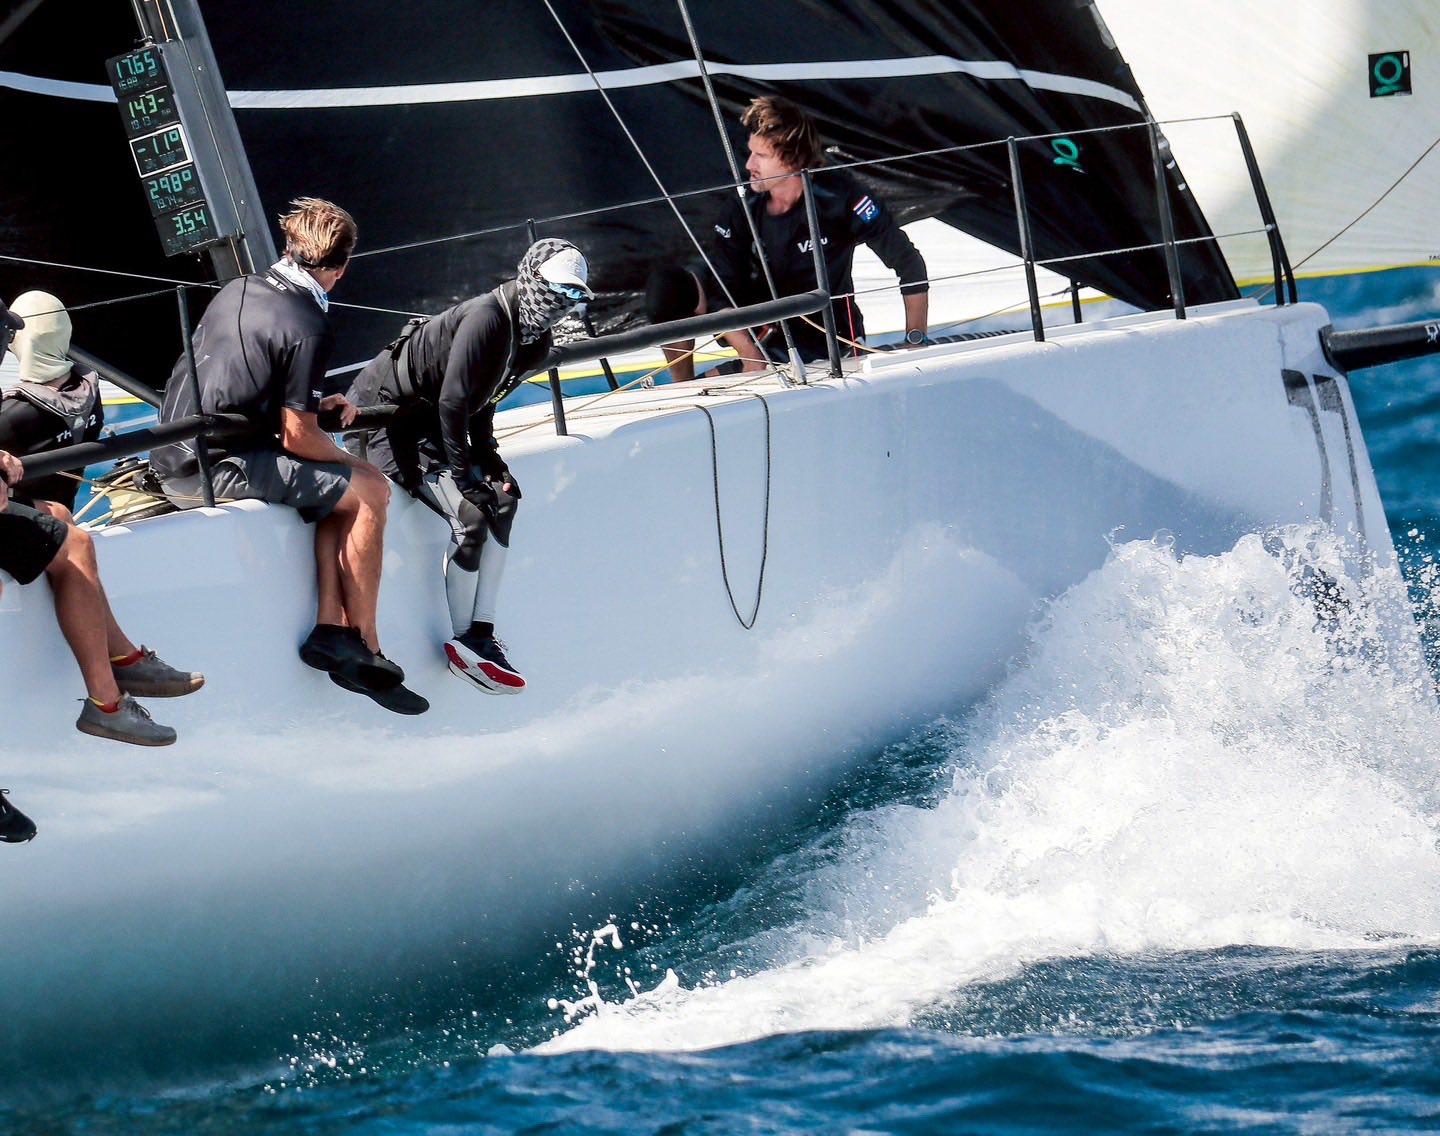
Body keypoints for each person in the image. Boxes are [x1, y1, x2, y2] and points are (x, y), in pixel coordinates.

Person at [151, 197, 426, 716]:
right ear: (341, 268)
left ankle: (332, 632)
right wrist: (356, 463)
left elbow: (246, 380)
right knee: (370, 489)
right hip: (210, 468)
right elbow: (299, 439)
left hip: (175, 449)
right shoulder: (309, 324)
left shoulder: (239, 287)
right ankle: (367, 646)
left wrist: (313, 407)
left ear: (288, 246)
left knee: (340, 489)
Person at [347, 237, 593, 694]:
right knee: (471, 514)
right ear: (529, 278)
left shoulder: (533, 341)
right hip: (389, 422)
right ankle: (465, 643)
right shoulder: (487, 319)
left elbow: (485, 401)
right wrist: (464, 477)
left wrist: (490, 458)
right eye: (556, 289)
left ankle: (483, 634)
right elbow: (454, 402)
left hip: (435, 422)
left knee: (505, 502)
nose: (560, 302)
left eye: (573, 294)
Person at [0, 295, 201, 746]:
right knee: (74, 540)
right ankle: (110, 696)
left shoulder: (14, 413)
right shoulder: (87, 393)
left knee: (64, 523)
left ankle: (124, 669)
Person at [647, 95, 930, 383]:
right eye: (750, 152)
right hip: (764, 337)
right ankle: (681, 383)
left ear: (793, 160)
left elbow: (908, 263)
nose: (749, 164)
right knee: (667, 286)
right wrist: (749, 353)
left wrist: (915, 339)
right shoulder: (744, 204)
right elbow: (723, 285)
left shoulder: (842, 197)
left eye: (761, 156)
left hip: (829, 340)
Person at [1, 290, 104, 510]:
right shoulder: (91, 392)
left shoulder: (11, 415)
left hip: (27, 519)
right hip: (66, 507)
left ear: (17, 340)